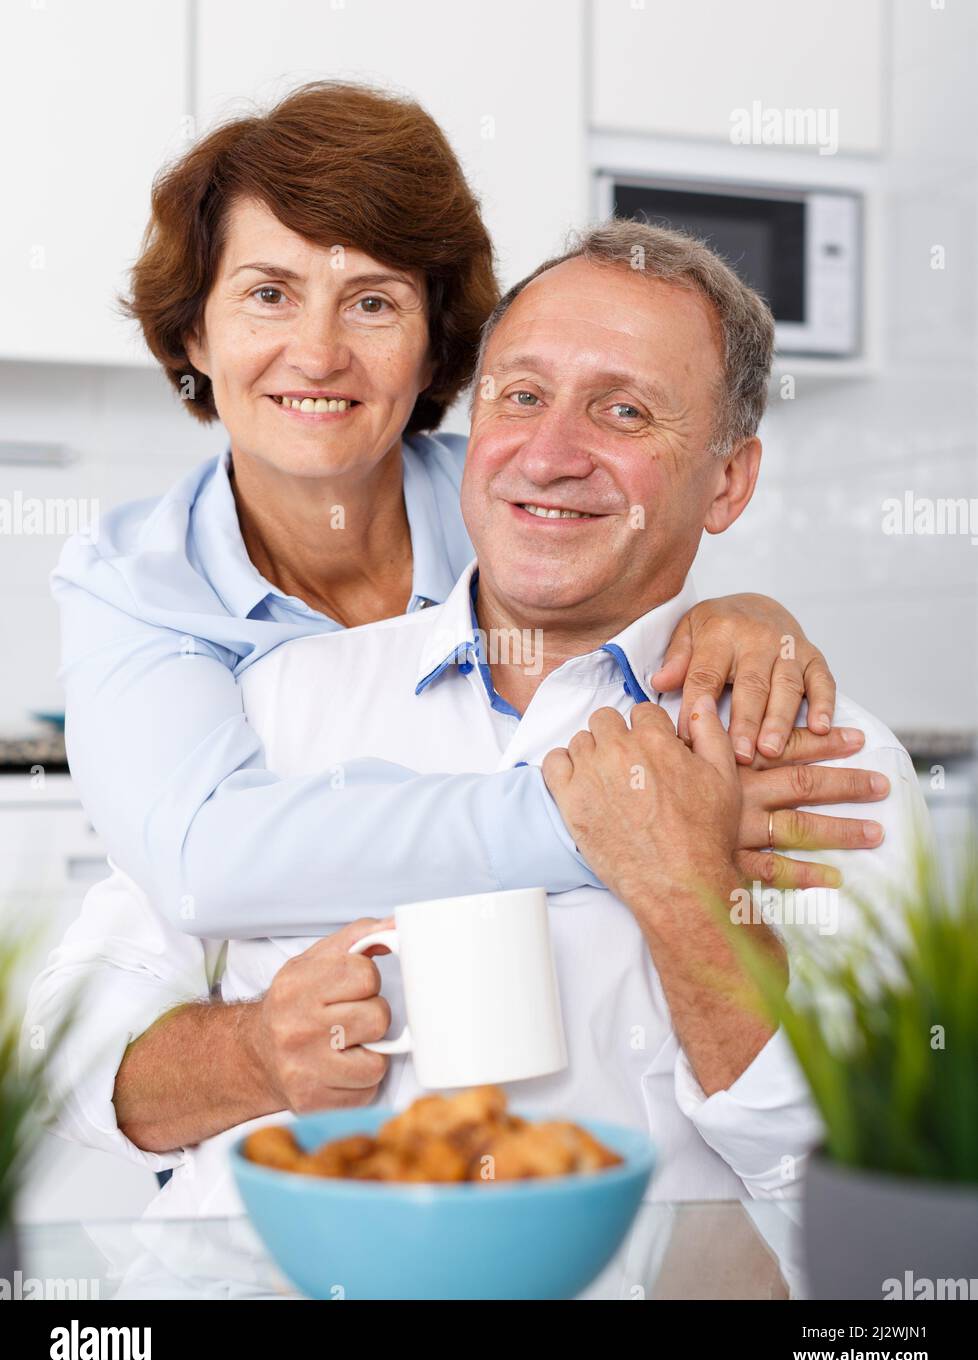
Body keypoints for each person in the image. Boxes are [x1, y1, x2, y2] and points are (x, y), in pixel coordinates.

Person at [27, 220, 925, 1213]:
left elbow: (853, 1188)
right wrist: (252, 1055)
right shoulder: (281, 698)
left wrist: (688, 900)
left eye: (623, 411)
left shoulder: (822, 768)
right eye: (523, 396)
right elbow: (64, 1049)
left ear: (729, 481)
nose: (549, 455)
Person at [53, 80, 864, 947]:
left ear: (439, 345)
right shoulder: (135, 580)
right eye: (268, 294)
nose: (319, 355)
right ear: (195, 335)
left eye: (372, 303)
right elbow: (201, 867)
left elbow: (647, 567)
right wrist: (626, 826)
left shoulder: (514, 494)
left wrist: (738, 613)